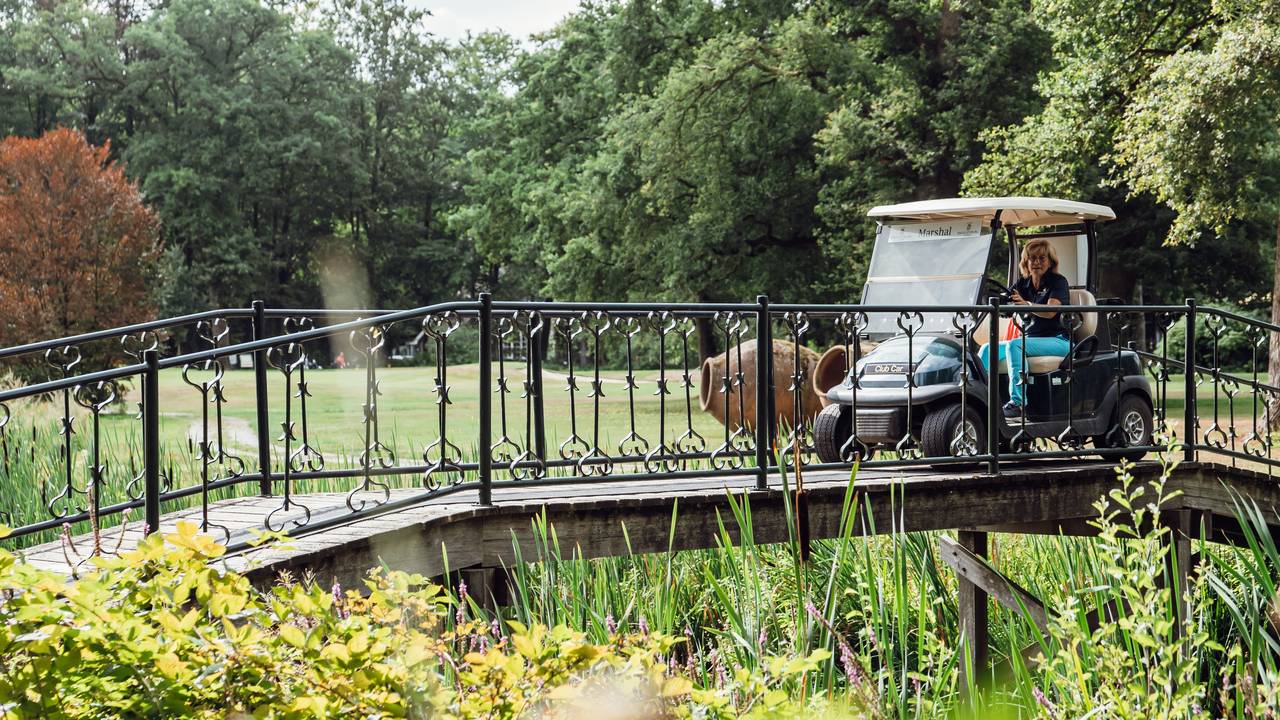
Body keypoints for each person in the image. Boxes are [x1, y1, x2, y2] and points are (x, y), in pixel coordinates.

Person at [979, 238, 1071, 418]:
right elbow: (1007, 305)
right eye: (1032, 258)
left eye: (1042, 258)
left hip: (1059, 340)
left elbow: (1051, 311)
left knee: (1015, 345)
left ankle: (1018, 403)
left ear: (1050, 262)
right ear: (1026, 262)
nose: (1037, 262)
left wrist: (1027, 304)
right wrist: (997, 301)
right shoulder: (1022, 284)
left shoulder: (1058, 282)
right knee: (987, 349)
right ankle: (981, 400)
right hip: (1031, 341)